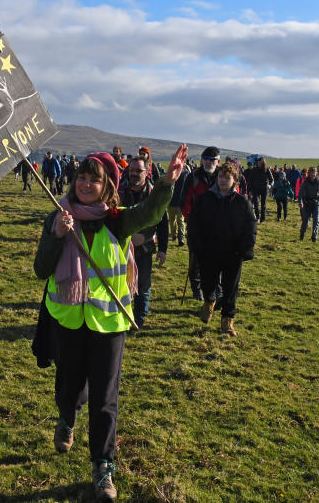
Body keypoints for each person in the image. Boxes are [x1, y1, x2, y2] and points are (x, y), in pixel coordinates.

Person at [34, 145, 187, 500]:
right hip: (68, 321)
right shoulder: (59, 215)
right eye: (81, 178)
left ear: (107, 186)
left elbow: (149, 212)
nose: (86, 184)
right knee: (69, 386)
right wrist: (57, 233)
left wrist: (165, 183)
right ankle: (67, 418)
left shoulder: (118, 220)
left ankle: (103, 468)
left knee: (105, 397)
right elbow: (41, 269)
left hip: (110, 323)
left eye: (95, 179)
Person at [188, 161, 256, 336]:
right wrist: (197, 245)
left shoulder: (242, 202)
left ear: (235, 180)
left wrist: (244, 250)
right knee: (207, 283)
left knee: (230, 288)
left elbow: (250, 226)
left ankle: (227, 321)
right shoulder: (204, 199)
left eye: (227, 178)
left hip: (233, 253)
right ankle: (209, 301)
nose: (223, 181)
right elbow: (194, 223)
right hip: (208, 250)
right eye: (220, 177)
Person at [118, 157, 169, 329]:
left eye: (138, 170)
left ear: (147, 172)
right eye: (131, 170)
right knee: (119, 283)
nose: (134, 173)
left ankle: (138, 320)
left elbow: (163, 222)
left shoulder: (154, 194)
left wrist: (163, 249)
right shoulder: (120, 192)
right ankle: (121, 316)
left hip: (144, 249)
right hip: (120, 248)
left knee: (143, 285)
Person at [180, 146, 221, 301]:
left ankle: (217, 289)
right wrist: (191, 220)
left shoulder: (223, 176)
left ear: (218, 161)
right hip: (197, 226)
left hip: (218, 227)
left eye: (212, 159)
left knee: (217, 259)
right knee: (195, 260)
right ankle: (197, 290)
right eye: (205, 158)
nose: (208, 162)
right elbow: (185, 201)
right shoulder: (194, 176)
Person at [298, 167, 319, 242]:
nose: (312, 174)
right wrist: (300, 202)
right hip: (307, 203)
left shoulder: (318, 181)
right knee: (305, 221)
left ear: (316, 174)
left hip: (316, 203)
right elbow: (300, 193)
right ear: (309, 174)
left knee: (316, 220)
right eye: (311, 173)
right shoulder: (305, 182)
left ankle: (314, 237)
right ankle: (302, 233)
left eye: (314, 173)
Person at [244, 158, 273, 223]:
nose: (259, 164)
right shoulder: (254, 170)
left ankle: (263, 219)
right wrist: (249, 190)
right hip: (255, 189)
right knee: (256, 204)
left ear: (263, 163)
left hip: (264, 189)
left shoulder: (267, 169)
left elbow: (272, 180)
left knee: (263, 205)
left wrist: (270, 185)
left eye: (260, 163)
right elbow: (250, 180)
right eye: (258, 163)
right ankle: (257, 217)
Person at [166, 163, 189, 246]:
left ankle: (177, 237)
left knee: (175, 221)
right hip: (178, 201)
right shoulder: (186, 174)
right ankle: (178, 237)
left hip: (175, 202)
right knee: (178, 221)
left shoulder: (170, 174)